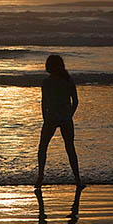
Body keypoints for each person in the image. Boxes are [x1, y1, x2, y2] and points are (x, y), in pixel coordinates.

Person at [35, 54, 84, 189]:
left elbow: (44, 103)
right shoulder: (68, 80)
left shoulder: (46, 82)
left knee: (42, 147)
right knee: (70, 148)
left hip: (51, 118)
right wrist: (70, 115)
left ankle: (40, 177)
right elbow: (75, 101)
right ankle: (78, 180)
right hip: (65, 118)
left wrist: (45, 117)